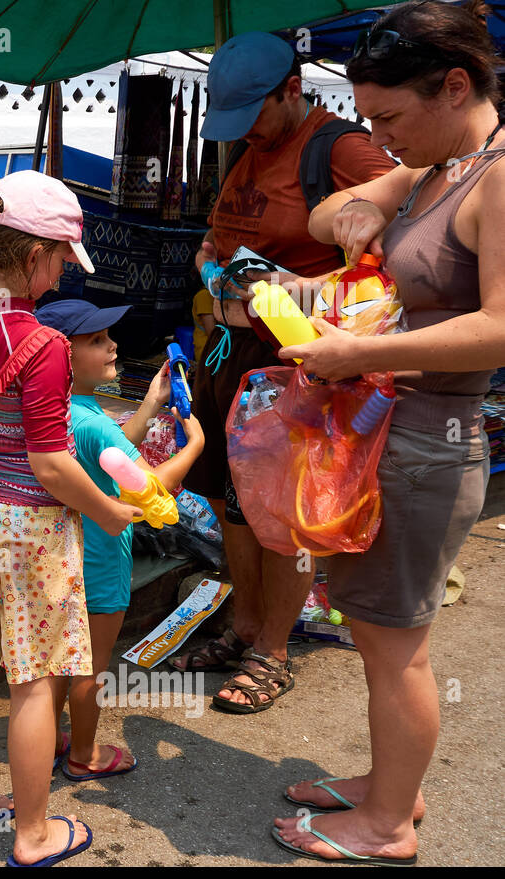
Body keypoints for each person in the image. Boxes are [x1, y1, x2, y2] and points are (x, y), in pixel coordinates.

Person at [271, 1, 505, 865]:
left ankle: (387, 827)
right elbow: (328, 215)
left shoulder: (496, 177)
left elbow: (502, 327)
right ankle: (384, 786)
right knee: (377, 631)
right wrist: (357, 219)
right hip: (386, 434)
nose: (381, 137)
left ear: (453, 86)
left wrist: (358, 349)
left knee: (397, 645)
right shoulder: (438, 170)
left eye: (390, 118)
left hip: (425, 440)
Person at [0, 171, 141, 867]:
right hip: (30, 531)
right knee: (34, 682)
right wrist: (106, 511)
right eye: (62, 257)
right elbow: (51, 464)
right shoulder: (38, 345)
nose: (63, 272)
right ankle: (34, 833)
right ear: (30, 253)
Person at [170, 31, 395, 716]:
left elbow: (399, 247)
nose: (246, 134)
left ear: (291, 92)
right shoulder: (249, 151)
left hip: (296, 361)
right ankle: (242, 627)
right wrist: (212, 264)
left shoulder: (344, 150)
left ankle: (273, 649)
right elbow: (221, 236)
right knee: (232, 501)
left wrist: (305, 286)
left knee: (283, 513)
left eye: (255, 116)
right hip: (229, 353)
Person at [35, 300, 205, 781]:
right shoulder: (91, 422)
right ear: (61, 359)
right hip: (100, 564)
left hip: (57, 559)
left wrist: (150, 406)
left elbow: (108, 455)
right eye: (96, 340)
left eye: (109, 335)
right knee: (90, 666)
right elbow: (150, 486)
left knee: (52, 662)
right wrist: (195, 446)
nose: (113, 345)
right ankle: (84, 754)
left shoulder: (60, 411)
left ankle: (44, 738)